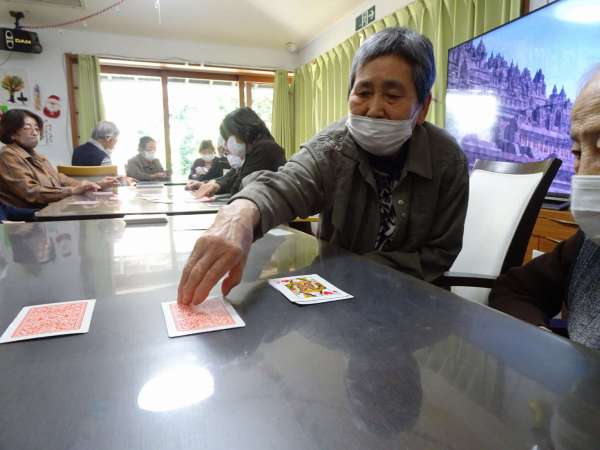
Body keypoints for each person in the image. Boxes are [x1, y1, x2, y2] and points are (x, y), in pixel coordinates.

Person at [178, 27, 469, 306]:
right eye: (363, 93)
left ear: (423, 107)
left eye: (392, 96)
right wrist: (240, 213)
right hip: (338, 299)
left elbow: (440, 253)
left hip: (413, 302)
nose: (374, 109)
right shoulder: (332, 147)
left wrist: (360, 267)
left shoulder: (447, 160)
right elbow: (287, 183)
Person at [489, 67, 600, 351]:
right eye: (577, 152)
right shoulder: (589, 245)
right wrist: (541, 338)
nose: (583, 172)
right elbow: (514, 289)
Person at [0, 109, 117, 209]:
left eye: (37, 128)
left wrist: (95, 184)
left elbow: (60, 179)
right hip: (29, 216)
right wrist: (72, 190)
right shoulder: (7, 155)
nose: (35, 132)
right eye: (27, 128)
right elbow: (30, 191)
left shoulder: (38, 156)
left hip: (50, 209)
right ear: (12, 134)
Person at [186, 107, 286, 197]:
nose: (226, 145)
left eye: (228, 138)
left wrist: (215, 185)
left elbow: (238, 188)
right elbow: (233, 175)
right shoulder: (253, 151)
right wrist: (208, 184)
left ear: (243, 131)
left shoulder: (264, 148)